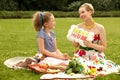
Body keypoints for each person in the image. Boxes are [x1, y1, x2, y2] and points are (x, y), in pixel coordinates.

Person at [67, 3, 120, 76]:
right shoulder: (78, 27)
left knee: (96, 68)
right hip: (82, 54)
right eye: (79, 13)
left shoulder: (100, 28)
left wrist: (91, 45)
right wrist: (74, 37)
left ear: (90, 12)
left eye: (83, 12)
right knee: (79, 67)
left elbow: (103, 48)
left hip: (95, 54)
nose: (81, 15)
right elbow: (75, 46)